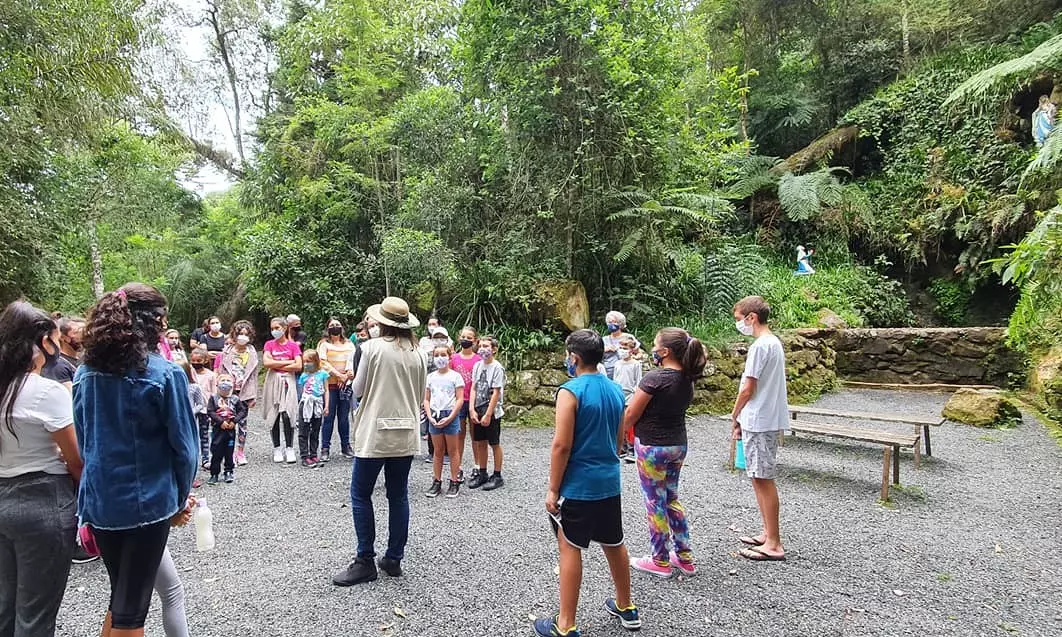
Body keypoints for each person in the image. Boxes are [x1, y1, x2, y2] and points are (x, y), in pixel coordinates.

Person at [73, 283, 199, 637]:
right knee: (133, 611)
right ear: (154, 321)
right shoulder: (164, 374)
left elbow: (85, 442)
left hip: (101, 502)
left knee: (122, 598)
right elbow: (186, 448)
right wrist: (178, 499)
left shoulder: (85, 373)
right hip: (147, 504)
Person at [536, 329, 640, 637]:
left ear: (574, 357)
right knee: (614, 541)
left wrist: (553, 488)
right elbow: (621, 439)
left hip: (579, 485)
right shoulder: (614, 390)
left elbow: (561, 445)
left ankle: (565, 624)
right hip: (609, 481)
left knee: (570, 546)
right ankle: (626, 606)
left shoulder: (570, 391)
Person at [0, 301, 84, 636]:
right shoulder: (45, 392)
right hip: (44, 503)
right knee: (35, 614)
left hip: (2, 497)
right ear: (40, 343)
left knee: (5, 607)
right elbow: (75, 459)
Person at [332, 297, 426, 587]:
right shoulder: (420, 352)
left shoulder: (370, 349)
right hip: (406, 431)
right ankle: (394, 558)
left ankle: (365, 560)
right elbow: (420, 391)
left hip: (376, 432)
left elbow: (358, 389)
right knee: (398, 495)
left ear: (382, 322)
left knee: (361, 494)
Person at [621, 327, 707, 578]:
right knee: (671, 498)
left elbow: (630, 414)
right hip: (678, 446)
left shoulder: (655, 378)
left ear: (665, 351)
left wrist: (615, 439)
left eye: (655, 345)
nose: (652, 349)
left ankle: (659, 559)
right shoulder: (687, 378)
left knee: (654, 502)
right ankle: (685, 557)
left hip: (652, 448)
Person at [731, 296, 789, 562]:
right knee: (758, 476)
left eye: (739, 318)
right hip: (765, 417)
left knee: (763, 479)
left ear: (751, 317)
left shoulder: (759, 346)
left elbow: (748, 387)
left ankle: (774, 543)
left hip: (759, 418)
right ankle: (768, 532)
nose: (738, 323)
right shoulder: (773, 343)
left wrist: (735, 413)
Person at [423, 345, 465, 498]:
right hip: (435, 414)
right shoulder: (430, 377)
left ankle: (454, 481)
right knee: (437, 451)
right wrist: (430, 416)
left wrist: (451, 416)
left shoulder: (455, 377)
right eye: (437, 355)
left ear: (449, 356)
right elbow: (426, 399)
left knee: (453, 451)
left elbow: (460, 399)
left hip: (450, 414)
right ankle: (437, 480)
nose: (440, 358)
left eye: (443, 354)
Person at [216, 320, 259, 466]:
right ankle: (227, 451)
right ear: (235, 334)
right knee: (227, 421)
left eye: (246, 334)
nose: (243, 337)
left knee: (242, 423)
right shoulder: (227, 351)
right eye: (240, 334)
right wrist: (220, 393)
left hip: (245, 392)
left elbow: (254, 376)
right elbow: (221, 372)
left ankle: (240, 452)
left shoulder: (252, 352)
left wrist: (254, 396)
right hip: (228, 391)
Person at [263, 316, 303, 464]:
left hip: (288, 383)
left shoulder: (293, 346)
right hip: (274, 382)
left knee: (288, 414)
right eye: (272, 328)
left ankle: (290, 448)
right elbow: (267, 362)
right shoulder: (269, 344)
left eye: (277, 328)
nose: (274, 331)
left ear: (284, 328)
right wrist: (288, 362)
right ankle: (277, 448)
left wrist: (277, 364)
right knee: (274, 415)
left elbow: (299, 365)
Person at [468, 335, 506, 491]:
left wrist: (488, 414)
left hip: (492, 410)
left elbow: (496, 392)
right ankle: (482, 472)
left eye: (486, 346)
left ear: (494, 349)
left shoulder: (497, 368)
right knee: (480, 442)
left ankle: (497, 475)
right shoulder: (477, 366)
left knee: (494, 443)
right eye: (481, 345)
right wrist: (471, 408)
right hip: (478, 407)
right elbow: (474, 388)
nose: (483, 349)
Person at [318, 317, 356, 462]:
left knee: (344, 418)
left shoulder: (349, 343)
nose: (335, 327)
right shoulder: (324, 344)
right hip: (330, 385)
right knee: (328, 417)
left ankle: (346, 446)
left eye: (338, 325)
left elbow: (353, 360)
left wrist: (347, 376)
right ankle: (325, 448)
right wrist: (338, 375)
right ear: (327, 328)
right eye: (332, 325)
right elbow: (323, 362)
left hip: (345, 385)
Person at [449, 327, 481, 483]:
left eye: (469, 337)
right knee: (458, 435)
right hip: (458, 401)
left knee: (476, 435)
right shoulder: (453, 359)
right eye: (463, 336)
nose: (466, 339)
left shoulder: (479, 360)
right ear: (458, 337)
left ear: (475, 340)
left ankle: (477, 465)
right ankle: (458, 467)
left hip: (474, 401)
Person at [206, 373, 247, 485]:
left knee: (229, 451)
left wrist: (234, 421)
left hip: (230, 430)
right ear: (217, 383)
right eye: (222, 380)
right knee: (216, 451)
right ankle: (214, 473)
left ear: (233, 384)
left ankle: (228, 471)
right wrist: (220, 422)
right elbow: (210, 411)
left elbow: (242, 411)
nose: (225, 382)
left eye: (228, 380)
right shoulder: (213, 398)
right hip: (218, 429)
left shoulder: (235, 399)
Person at [612, 335, 643, 463]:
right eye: (620, 347)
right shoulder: (617, 364)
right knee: (619, 422)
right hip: (618, 394)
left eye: (625, 347)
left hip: (631, 395)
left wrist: (636, 395)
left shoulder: (636, 364)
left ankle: (632, 449)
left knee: (629, 423)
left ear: (631, 350)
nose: (622, 350)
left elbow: (639, 381)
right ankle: (621, 448)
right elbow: (615, 379)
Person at [297, 350, 330, 468]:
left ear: (315, 361)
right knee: (303, 430)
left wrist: (326, 406)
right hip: (306, 403)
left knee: (315, 429)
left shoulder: (323, 374)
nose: (306, 364)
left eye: (309, 361)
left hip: (318, 404)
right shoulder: (304, 376)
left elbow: (326, 390)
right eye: (304, 361)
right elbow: (300, 391)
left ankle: (313, 453)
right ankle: (304, 455)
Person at [178, 359, 210, 472]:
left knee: (192, 444)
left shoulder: (194, 387)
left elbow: (201, 404)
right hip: (177, 419)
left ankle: (193, 472)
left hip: (191, 420)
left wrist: (191, 411)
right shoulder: (172, 387)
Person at [601, 311, 640, 380]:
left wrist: (634, 358)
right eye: (609, 322)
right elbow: (597, 356)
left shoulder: (628, 337)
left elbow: (639, 353)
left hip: (625, 372)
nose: (611, 324)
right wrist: (606, 349)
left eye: (614, 322)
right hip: (608, 372)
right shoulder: (604, 339)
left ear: (620, 323)